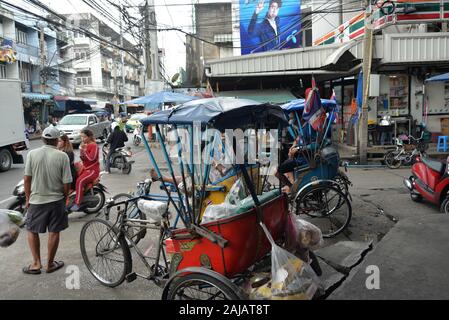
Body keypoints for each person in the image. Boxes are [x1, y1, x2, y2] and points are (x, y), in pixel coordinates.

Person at [23, 126, 72, 274]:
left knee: (31, 230)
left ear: (43, 139)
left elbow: (27, 179)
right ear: (57, 140)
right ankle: (50, 264)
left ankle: (36, 263)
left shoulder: (32, 154)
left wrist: (27, 198)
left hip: (36, 200)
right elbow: (67, 182)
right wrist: (65, 197)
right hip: (56, 201)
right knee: (54, 231)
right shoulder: (62, 156)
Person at [68, 129, 100, 212]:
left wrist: (84, 150)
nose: (82, 139)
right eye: (81, 137)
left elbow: (91, 158)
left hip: (93, 170)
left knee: (80, 181)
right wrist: (82, 151)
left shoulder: (93, 145)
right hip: (85, 169)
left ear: (89, 137)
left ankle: (77, 203)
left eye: (84, 137)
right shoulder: (84, 145)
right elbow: (83, 158)